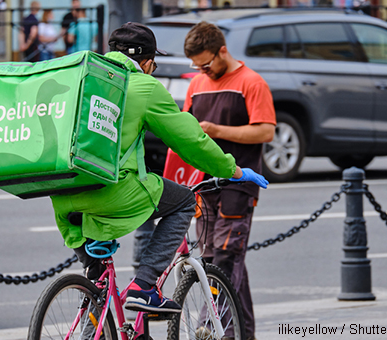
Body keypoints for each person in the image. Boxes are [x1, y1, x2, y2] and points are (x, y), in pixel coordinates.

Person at [50, 22, 268, 313]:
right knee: (183, 202)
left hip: (64, 195)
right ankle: (144, 286)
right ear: (148, 62)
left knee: (98, 286)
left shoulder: (82, 81)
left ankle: (93, 324)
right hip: (111, 192)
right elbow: (191, 141)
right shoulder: (143, 86)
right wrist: (233, 170)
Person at [183, 21, 276, 340]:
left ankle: (214, 327)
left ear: (223, 50)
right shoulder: (196, 84)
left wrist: (217, 131)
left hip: (240, 181)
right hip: (204, 184)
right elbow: (187, 130)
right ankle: (242, 332)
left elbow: (266, 130)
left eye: (207, 63)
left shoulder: (251, 82)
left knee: (226, 255)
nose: (203, 71)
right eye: (197, 66)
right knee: (215, 257)